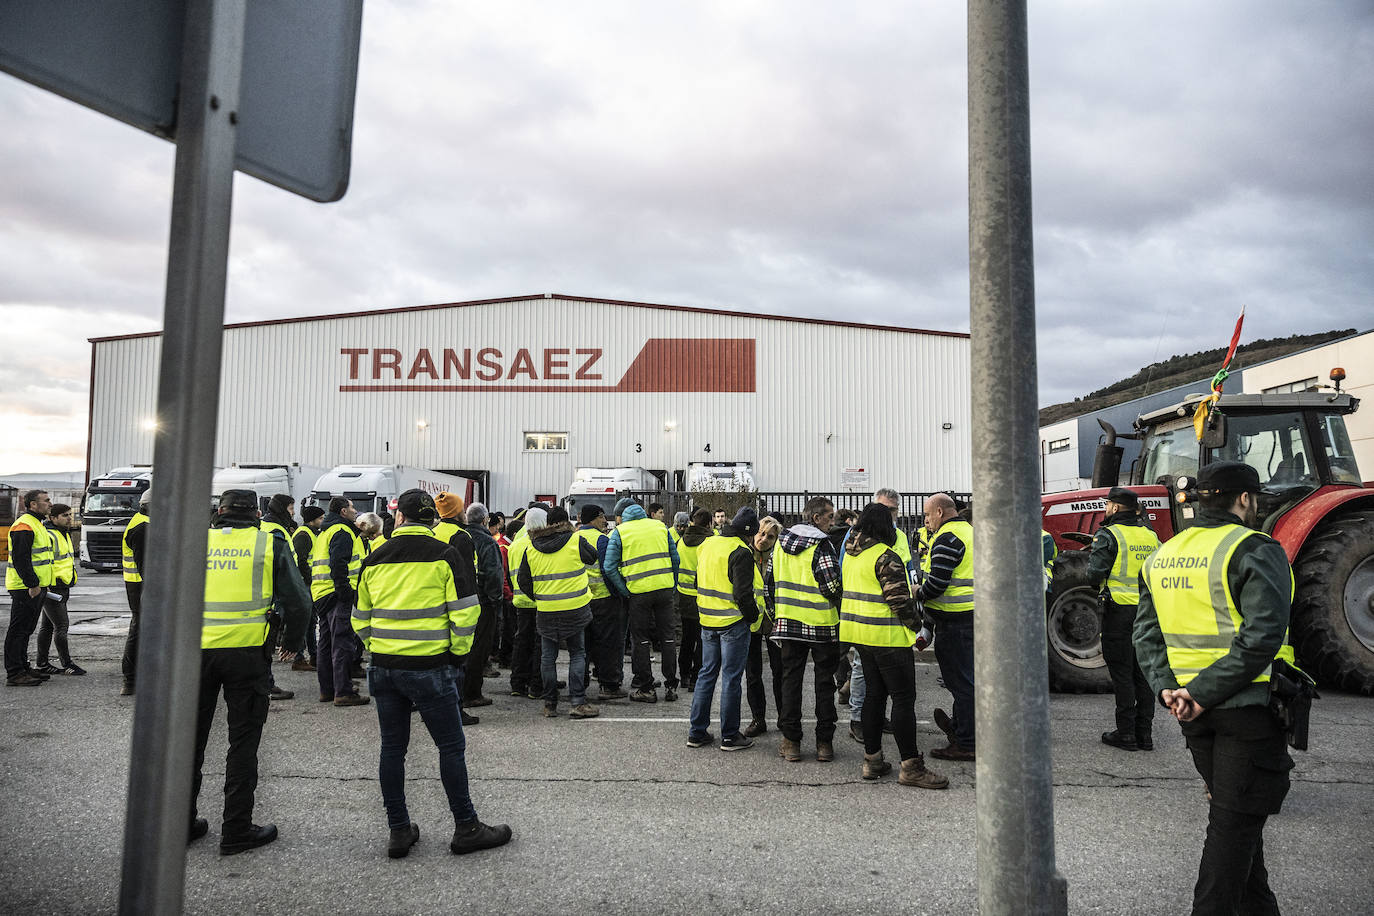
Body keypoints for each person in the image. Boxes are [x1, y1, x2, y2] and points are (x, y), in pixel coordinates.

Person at [1134, 461, 1299, 915]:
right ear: (1245, 499)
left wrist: (1169, 689)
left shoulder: (1163, 555)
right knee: (1231, 830)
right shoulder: (1253, 548)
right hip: (1245, 709)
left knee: (1240, 824)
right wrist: (1203, 692)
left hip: (1192, 714)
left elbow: (1146, 635)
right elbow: (1263, 636)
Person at [350, 488, 509, 860]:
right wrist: (455, 656)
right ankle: (466, 827)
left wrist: (381, 647)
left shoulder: (375, 557)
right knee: (450, 747)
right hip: (431, 667)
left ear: (399, 518)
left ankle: (399, 830)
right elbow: (467, 612)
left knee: (393, 749)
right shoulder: (446, 554)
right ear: (432, 520)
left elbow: (360, 618)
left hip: (387, 667)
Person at [191, 489, 311, 854]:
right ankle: (236, 829)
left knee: (188, 742)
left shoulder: (195, 542)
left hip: (194, 654)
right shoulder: (268, 543)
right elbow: (299, 600)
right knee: (242, 743)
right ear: (256, 513)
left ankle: (179, 823)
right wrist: (292, 640)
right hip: (246, 654)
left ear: (220, 511)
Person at [841, 503, 947, 789]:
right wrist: (919, 626)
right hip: (887, 638)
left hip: (860, 636)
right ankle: (911, 767)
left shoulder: (852, 555)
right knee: (902, 700)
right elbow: (899, 600)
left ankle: (872, 760)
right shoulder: (885, 557)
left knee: (874, 697)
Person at [1087, 487, 1160, 751]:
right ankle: (1145, 734)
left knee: (1122, 673)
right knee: (1143, 673)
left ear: (1116, 508)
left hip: (1119, 611)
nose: (1105, 508)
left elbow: (1094, 574)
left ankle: (1126, 733)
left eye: (1107, 504)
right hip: (1148, 613)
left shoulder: (1109, 534)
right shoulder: (1151, 536)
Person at [770, 496, 843, 763]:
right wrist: (838, 600)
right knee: (824, 684)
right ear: (816, 518)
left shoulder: (780, 542)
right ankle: (824, 744)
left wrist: (776, 614)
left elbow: (770, 582)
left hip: (788, 622)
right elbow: (831, 584)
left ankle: (791, 743)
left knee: (791, 681)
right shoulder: (822, 545)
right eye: (829, 516)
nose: (832, 520)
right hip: (822, 624)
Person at [686, 507, 762, 751]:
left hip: (707, 619)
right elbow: (743, 594)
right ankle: (729, 735)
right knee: (731, 678)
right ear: (749, 534)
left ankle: (697, 732)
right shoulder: (741, 551)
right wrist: (752, 618)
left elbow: (698, 581)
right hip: (732, 623)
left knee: (706, 674)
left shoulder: (708, 543)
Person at [516, 506, 601, 719]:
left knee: (548, 657)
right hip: (575, 608)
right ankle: (577, 702)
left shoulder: (532, 547)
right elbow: (592, 557)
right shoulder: (575, 540)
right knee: (577, 654)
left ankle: (550, 703)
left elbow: (523, 581)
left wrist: (540, 597)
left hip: (546, 610)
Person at [917, 492, 976, 761]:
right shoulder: (969, 532)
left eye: (928, 515)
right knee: (969, 680)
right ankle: (962, 728)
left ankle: (966, 742)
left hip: (955, 621)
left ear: (940, 512)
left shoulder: (947, 539)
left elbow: (937, 584)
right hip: (972, 617)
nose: (926, 520)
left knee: (961, 684)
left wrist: (918, 591)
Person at [605, 501, 680, 703]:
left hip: (638, 594)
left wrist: (625, 589)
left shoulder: (620, 532)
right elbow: (676, 559)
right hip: (664, 590)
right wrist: (671, 584)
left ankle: (646, 687)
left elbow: (609, 567)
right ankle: (671, 685)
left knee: (641, 640)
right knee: (668, 638)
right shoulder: (660, 527)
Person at [310, 497, 369, 706]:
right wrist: (346, 593)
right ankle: (343, 691)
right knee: (342, 643)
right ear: (344, 511)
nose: (355, 512)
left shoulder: (325, 531)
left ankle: (327, 689)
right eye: (352, 508)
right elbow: (338, 565)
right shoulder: (341, 532)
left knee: (326, 643)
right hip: (337, 595)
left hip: (322, 593)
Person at [434, 492, 487, 716]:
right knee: (458, 658)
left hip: (435, 600)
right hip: (456, 602)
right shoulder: (460, 536)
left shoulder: (433, 533)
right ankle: (456, 709)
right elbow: (465, 574)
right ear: (457, 512)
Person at [5, 489, 55, 687]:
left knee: (26, 630)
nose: (50, 504)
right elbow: (21, 559)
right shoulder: (24, 525)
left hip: (35, 586)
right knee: (18, 630)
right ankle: (15, 673)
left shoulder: (37, 524)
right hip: (25, 587)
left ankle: (23, 667)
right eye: (46, 500)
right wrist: (32, 584)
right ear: (33, 504)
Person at [577, 504, 626, 700]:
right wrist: (617, 593)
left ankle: (580, 683)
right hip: (603, 600)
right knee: (607, 644)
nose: (604, 521)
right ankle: (608, 685)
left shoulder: (573, 538)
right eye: (602, 517)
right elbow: (608, 570)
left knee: (583, 646)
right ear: (595, 518)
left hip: (580, 600)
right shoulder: (601, 539)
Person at [33, 503, 84, 676]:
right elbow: (42, 561)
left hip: (62, 585)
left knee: (47, 626)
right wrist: (44, 584)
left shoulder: (64, 534)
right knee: (61, 626)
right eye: (64, 515)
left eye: (70, 514)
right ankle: (67, 664)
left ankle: (42, 663)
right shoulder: (49, 535)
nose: (69, 518)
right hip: (52, 586)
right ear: (52, 518)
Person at [744, 516, 783, 737]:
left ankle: (783, 717)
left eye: (770, 536)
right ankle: (758, 718)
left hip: (775, 621)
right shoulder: (745, 556)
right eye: (761, 533)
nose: (764, 539)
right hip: (751, 622)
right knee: (752, 673)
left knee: (780, 672)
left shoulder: (780, 559)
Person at [463, 503, 503, 686]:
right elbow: (494, 574)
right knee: (480, 646)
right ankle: (472, 690)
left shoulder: (460, 537)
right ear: (485, 520)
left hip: (462, 599)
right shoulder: (487, 542)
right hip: (484, 601)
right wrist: (496, 600)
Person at [505, 513, 543, 701]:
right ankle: (537, 683)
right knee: (539, 644)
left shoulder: (515, 545)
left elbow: (510, 575)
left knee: (521, 642)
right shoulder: (537, 545)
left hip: (519, 601)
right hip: (538, 601)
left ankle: (517, 683)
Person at [675, 508, 713, 692]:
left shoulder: (681, 541)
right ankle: (695, 676)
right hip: (702, 596)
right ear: (709, 524)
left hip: (683, 595)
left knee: (687, 638)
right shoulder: (708, 542)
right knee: (702, 639)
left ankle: (683, 674)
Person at [119, 488, 151, 695]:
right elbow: (146, 566)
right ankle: (130, 679)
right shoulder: (142, 528)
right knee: (139, 630)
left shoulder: (143, 523)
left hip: (139, 584)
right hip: (141, 586)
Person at [291, 506, 326, 672]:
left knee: (311, 622)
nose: (322, 521)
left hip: (309, 583)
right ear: (312, 520)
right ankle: (299, 658)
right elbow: (301, 560)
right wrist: (310, 579)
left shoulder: (312, 533)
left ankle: (313, 656)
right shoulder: (304, 535)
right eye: (320, 518)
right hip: (305, 584)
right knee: (305, 622)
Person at [489, 511, 515, 668]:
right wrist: (509, 594)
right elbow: (502, 574)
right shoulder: (503, 547)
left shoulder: (502, 545)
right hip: (504, 595)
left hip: (503, 594)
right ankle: (502, 657)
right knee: (505, 628)